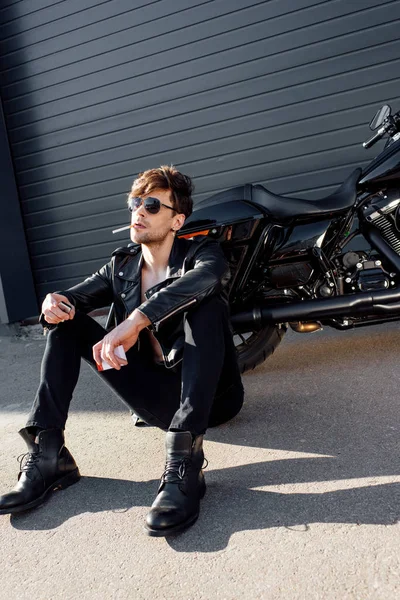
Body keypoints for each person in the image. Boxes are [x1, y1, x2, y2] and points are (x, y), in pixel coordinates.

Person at [0, 166, 244, 536]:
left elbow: (207, 279)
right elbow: (74, 297)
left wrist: (136, 320)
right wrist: (55, 302)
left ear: (177, 220)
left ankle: (186, 464)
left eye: (151, 205)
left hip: (213, 400)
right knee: (67, 321)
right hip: (156, 399)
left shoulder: (202, 254)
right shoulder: (121, 265)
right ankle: (49, 455)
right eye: (135, 203)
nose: (139, 212)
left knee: (205, 304)